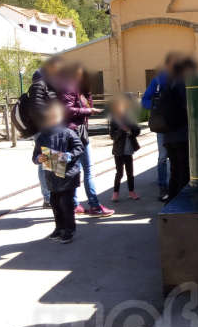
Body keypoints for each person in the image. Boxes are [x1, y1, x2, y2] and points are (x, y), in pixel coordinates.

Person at [61, 63, 114, 218]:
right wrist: (88, 110)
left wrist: (87, 95)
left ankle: (76, 204)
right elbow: (67, 110)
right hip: (73, 134)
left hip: (81, 133)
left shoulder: (81, 90)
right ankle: (94, 205)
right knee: (85, 170)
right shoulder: (69, 88)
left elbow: (88, 107)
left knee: (79, 170)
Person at [32, 102, 84, 244]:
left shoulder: (68, 133)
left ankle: (69, 229)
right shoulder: (42, 136)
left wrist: (69, 155)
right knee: (55, 203)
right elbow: (35, 156)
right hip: (52, 176)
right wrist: (38, 158)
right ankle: (59, 227)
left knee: (66, 204)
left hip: (68, 175)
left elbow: (79, 148)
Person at [27, 56, 64, 208]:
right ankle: (49, 197)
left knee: (51, 162)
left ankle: (53, 195)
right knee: (47, 162)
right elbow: (38, 109)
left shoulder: (45, 85)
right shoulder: (39, 85)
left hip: (47, 128)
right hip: (44, 129)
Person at [141, 53, 176, 202]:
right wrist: (157, 106)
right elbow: (145, 100)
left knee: (177, 156)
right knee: (163, 157)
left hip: (178, 124)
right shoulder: (158, 81)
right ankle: (163, 186)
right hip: (163, 125)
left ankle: (175, 185)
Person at [163, 56, 196, 201]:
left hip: (168, 135)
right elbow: (188, 107)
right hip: (181, 134)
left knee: (174, 169)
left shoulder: (167, 84)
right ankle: (182, 200)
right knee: (184, 169)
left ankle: (171, 198)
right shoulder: (182, 84)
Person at [109, 94, 141, 201]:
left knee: (130, 173)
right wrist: (121, 130)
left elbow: (137, 131)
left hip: (129, 149)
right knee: (119, 173)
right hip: (118, 150)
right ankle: (115, 193)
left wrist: (130, 131)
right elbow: (112, 136)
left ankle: (132, 192)